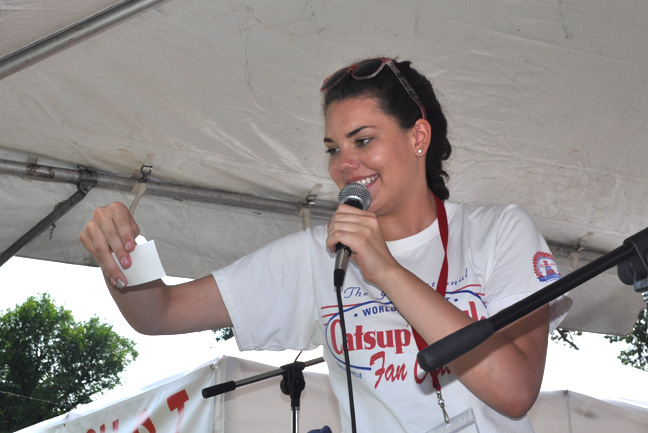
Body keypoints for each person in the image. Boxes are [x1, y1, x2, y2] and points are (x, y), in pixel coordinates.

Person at [80, 57, 571, 433]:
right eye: (334, 149)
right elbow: (162, 312)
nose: (344, 165)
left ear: (418, 136)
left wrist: (388, 271)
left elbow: (515, 391)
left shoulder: (498, 232)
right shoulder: (319, 254)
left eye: (362, 141)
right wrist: (122, 257)